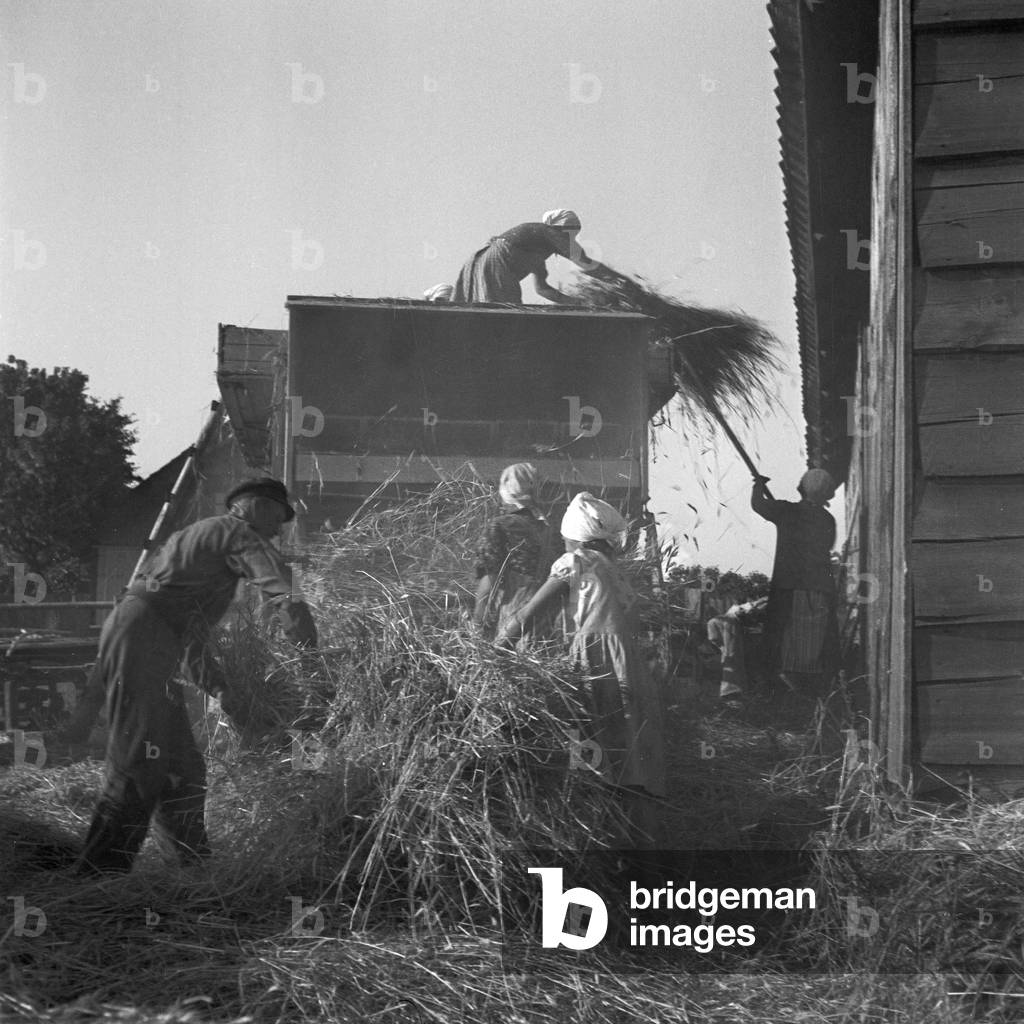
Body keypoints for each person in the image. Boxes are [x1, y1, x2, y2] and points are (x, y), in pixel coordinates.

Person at [72, 477, 318, 875]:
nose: (279, 528)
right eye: (278, 516)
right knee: (139, 757)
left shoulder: (205, 556)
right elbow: (281, 588)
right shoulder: (236, 533)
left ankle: (191, 871)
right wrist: (311, 655)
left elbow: (192, 642)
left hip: (152, 638)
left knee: (182, 767)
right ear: (254, 506)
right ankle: (97, 877)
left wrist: (220, 689)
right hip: (142, 635)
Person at [497, 493, 666, 810]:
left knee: (588, 745)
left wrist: (494, 650)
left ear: (576, 540)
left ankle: (592, 821)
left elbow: (529, 614)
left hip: (595, 666)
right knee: (625, 754)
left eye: (564, 541)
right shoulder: (616, 572)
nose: (563, 546)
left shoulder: (573, 562)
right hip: (629, 670)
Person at [751, 468, 839, 694]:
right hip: (818, 587)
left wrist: (758, 484)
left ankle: (781, 688)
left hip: (788, 585)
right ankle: (806, 690)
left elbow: (758, 505)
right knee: (812, 642)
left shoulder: (786, 511)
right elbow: (827, 546)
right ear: (826, 494)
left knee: (782, 636)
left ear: (803, 488)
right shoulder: (828, 519)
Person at [451, 209, 630, 305]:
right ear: (560, 228)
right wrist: (620, 281)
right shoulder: (547, 231)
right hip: (494, 262)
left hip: (482, 263)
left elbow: (542, 289)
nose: (572, 240)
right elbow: (584, 262)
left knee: (489, 309)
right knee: (505, 313)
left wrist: (578, 302)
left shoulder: (535, 249)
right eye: (571, 234)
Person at [472, 463, 552, 638]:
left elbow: (489, 583)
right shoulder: (549, 530)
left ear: (506, 491)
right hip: (546, 621)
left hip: (512, 622)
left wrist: (477, 624)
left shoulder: (499, 526)